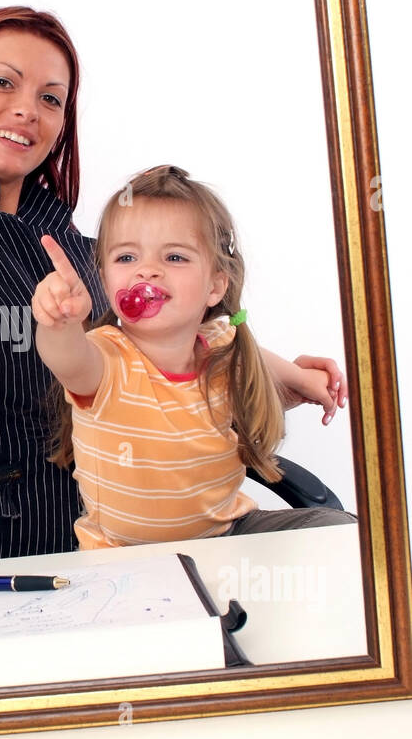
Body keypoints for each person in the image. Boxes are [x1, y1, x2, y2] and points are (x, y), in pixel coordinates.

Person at [0, 7, 347, 560]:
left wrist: (288, 376)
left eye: (51, 98)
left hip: (157, 529)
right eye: (2, 82)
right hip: (6, 551)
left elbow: (174, 336)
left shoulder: (81, 247)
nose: (27, 109)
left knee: (353, 555)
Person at [32, 164, 356, 548]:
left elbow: (248, 352)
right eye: (126, 258)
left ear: (215, 286)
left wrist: (306, 380)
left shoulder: (220, 345)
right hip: (125, 562)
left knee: (343, 532)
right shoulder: (106, 358)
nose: (147, 272)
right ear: (104, 281)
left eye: (174, 258)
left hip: (227, 537)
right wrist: (60, 322)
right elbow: (67, 358)